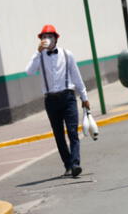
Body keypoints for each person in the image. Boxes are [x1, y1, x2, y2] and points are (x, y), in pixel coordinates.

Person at [26, 25, 90, 177]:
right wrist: (37, 52)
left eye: (49, 36)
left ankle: (75, 164)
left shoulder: (67, 55)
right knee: (59, 135)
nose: (46, 39)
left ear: (56, 38)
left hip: (68, 97)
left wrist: (84, 97)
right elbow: (28, 71)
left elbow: (76, 76)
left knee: (73, 132)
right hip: (51, 100)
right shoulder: (39, 57)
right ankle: (67, 164)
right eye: (43, 36)